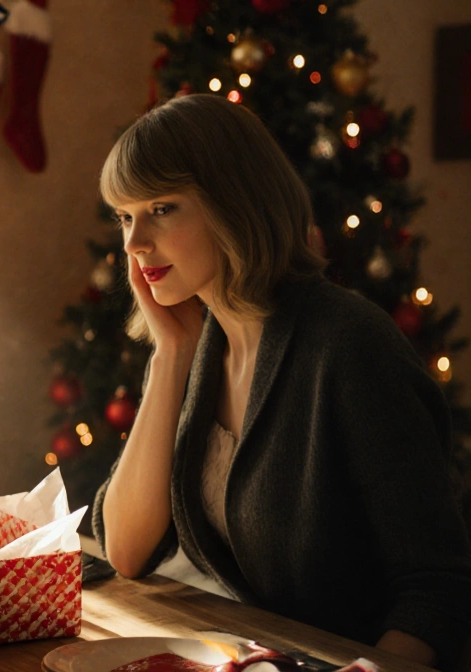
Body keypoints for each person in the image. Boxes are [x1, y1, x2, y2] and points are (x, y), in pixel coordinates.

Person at [91, 94, 471, 670]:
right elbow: (126, 549)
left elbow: (439, 591)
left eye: (162, 208)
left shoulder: (347, 344)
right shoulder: (196, 342)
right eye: (125, 216)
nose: (133, 243)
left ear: (232, 204)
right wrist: (170, 355)